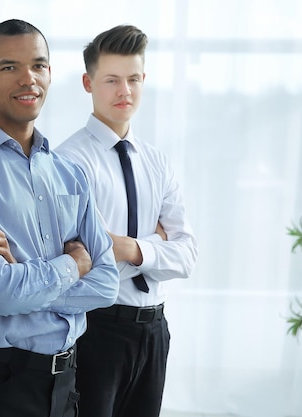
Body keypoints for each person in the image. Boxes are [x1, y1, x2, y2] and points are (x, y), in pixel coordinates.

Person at [0, 19, 119, 417]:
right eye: (9, 67)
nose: (28, 78)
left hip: (65, 383)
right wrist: (73, 264)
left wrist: (27, 279)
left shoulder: (70, 172)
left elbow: (106, 285)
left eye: (38, 65)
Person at [55, 25, 199, 417]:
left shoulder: (157, 161)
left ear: (144, 80)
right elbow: (84, 265)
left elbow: (186, 256)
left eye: (133, 79)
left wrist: (129, 247)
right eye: (112, 80)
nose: (125, 91)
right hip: (98, 329)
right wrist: (156, 244)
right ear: (88, 83)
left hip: (155, 330)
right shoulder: (69, 162)